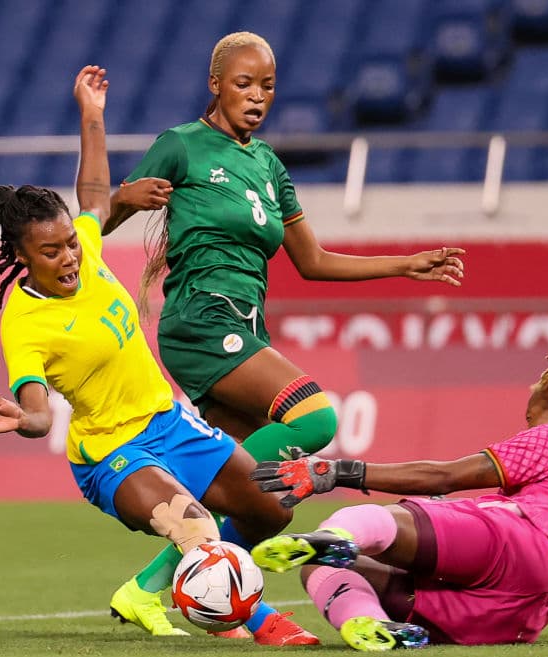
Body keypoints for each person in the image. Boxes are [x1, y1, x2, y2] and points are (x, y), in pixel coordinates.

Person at [0, 65, 318, 646]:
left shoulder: (87, 251)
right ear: (25, 259)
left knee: (273, 506)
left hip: (169, 423)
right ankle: (258, 621)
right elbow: (40, 409)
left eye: (70, 242)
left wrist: (92, 114)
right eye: (51, 252)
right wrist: (24, 419)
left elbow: (97, 196)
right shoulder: (24, 323)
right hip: (111, 453)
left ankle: (183, 598)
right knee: (195, 526)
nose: (69, 257)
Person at [102, 31, 466, 469]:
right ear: (215, 84)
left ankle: (190, 525)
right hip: (202, 319)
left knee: (266, 500)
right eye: (243, 84)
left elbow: (313, 261)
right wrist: (122, 200)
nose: (257, 96)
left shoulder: (270, 165)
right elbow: (95, 222)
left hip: (248, 325)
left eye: (267, 86)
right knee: (315, 420)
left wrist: (404, 265)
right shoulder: (180, 145)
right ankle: (191, 497)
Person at [248, 344, 548, 651]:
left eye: (530, 416)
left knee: (375, 522)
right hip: (524, 612)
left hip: (520, 542)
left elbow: (445, 475)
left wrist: (337, 472)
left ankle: (338, 537)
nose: (527, 425)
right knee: (323, 567)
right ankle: (369, 624)